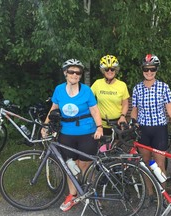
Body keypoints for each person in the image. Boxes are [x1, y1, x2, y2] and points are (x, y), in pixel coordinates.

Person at [41, 59, 103, 212]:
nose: (74, 75)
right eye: (71, 72)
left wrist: (100, 127)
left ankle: (91, 193)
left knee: (85, 165)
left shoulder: (87, 90)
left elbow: (95, 110)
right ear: (65, 73)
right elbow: (54, 108)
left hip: (87, 132)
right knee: (70, 165)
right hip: (66, 133)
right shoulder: (59, 90)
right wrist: (45, 125)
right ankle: (72, 194)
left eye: (78, 72)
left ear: (80, 75)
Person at [130, 54, 171, 200]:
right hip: (143, 129)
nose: (149, 72)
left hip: (159, 129)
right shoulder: (137, 88)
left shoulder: (163, 87)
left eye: (152, 69)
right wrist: (133, 121)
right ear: (142, 70)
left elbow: (170, 108)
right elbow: (135, 109)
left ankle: (162, 194)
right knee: (145, 163)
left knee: (160, 163)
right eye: (146, 69)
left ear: (156, 70)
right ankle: (149, 194)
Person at [91, 55, 130, 135]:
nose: (109, 71)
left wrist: (123, 116)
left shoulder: (122, 85)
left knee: (117, 146)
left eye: (112, 69)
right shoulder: (97, 83)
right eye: (106, 69)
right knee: (102, 147)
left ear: (116, 70)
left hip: (118, 123)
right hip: (101, 124)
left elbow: (125, 104)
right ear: (103, 71)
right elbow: (88, 98)